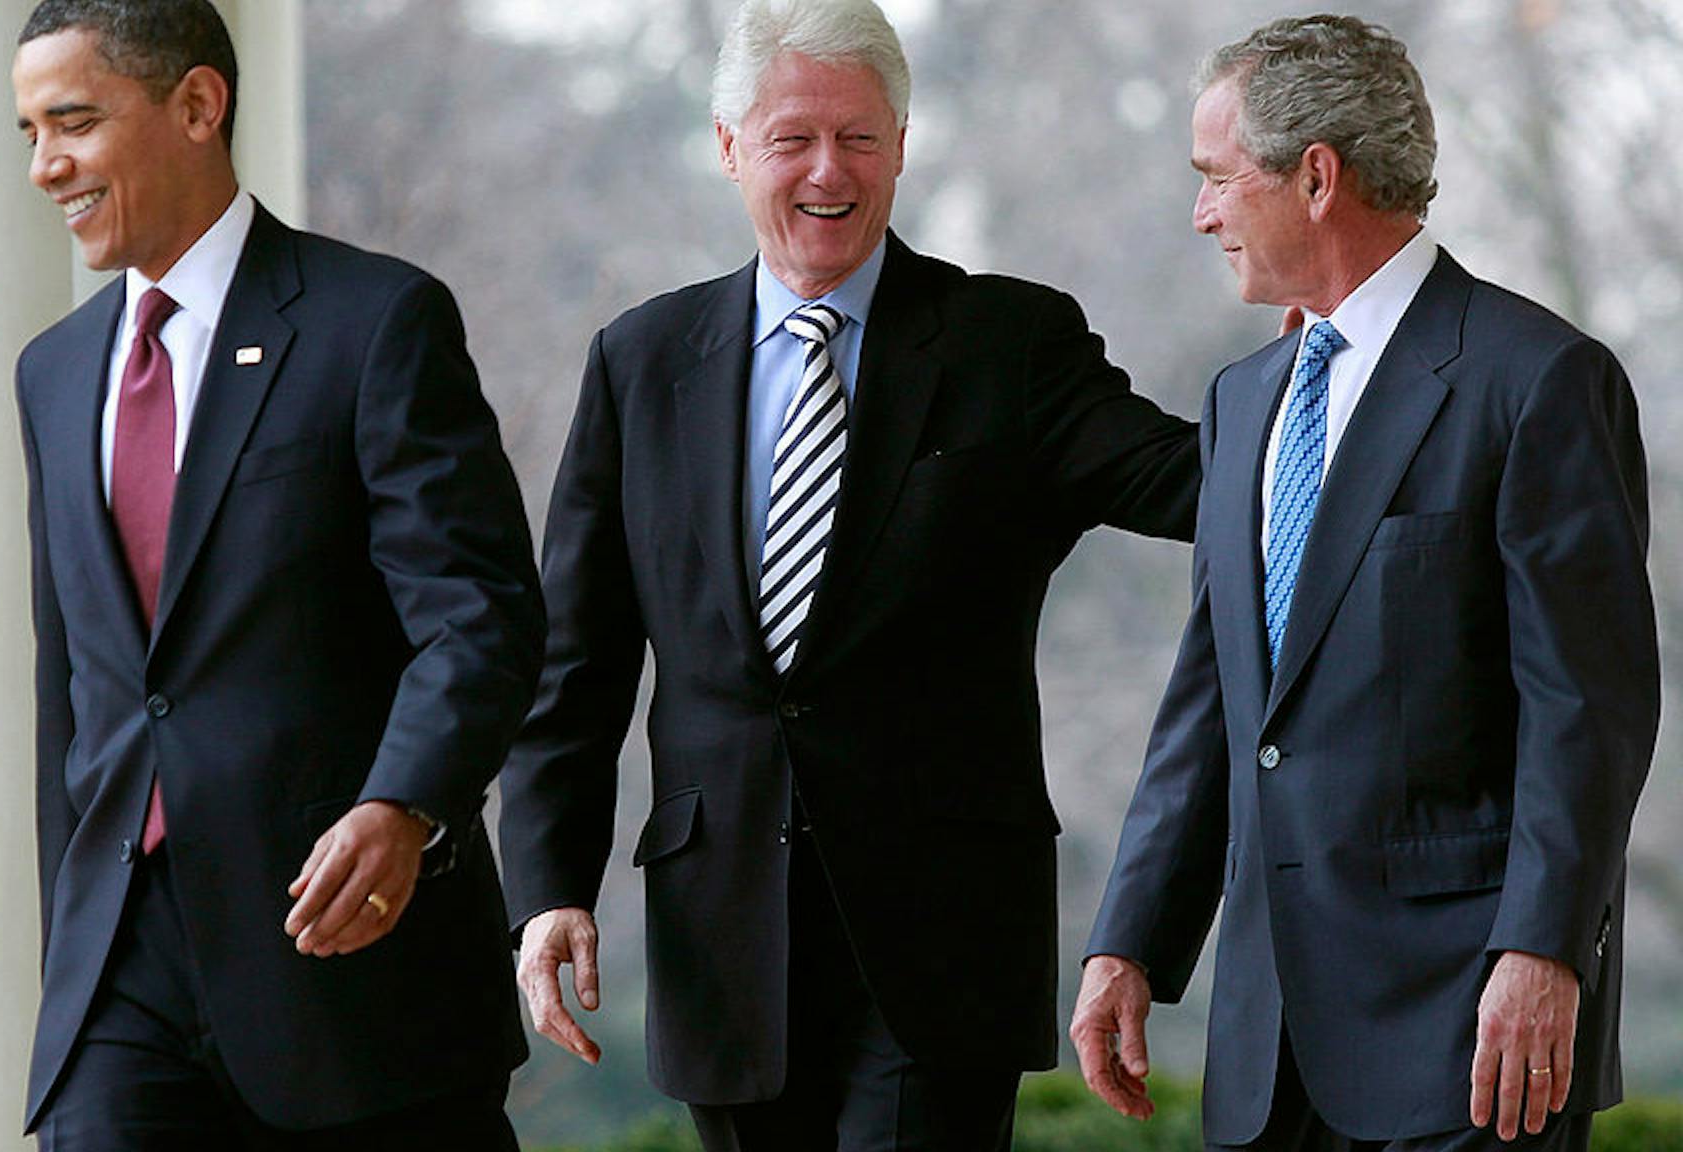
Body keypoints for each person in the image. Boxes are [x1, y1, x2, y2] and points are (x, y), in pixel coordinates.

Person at [496, 1, 1198, 1147]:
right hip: (721, 934)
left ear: (901, 143)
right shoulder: (642, 362)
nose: (830, 171)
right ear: (729, 149)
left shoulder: (1003, 344)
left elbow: (1187, 480)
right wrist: (546, 887)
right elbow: (575, 659)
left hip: (939, 941)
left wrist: (1343, 373)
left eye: (860, 137)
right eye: (792, 139)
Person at [1071, 15, 1658, 1152]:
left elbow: (1586, 712)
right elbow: (1214, 703)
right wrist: (1127, 939)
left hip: (1473, 1038)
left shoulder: (1535, 382)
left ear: (1315, 176)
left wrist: (1539, 951)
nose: (1200, 214)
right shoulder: (1242, 402)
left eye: (1213, 179)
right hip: (1267, 1046)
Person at [9, 0, 544, 1145]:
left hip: (344, 962)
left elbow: (478, 617)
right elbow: (75, 686)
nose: (47, 166)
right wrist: (69, 950)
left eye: (74, 123)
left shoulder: (374, 323)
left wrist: (402, 806)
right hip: (122, 977)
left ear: (197, 105)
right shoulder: (51, 376)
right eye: (29, 135)